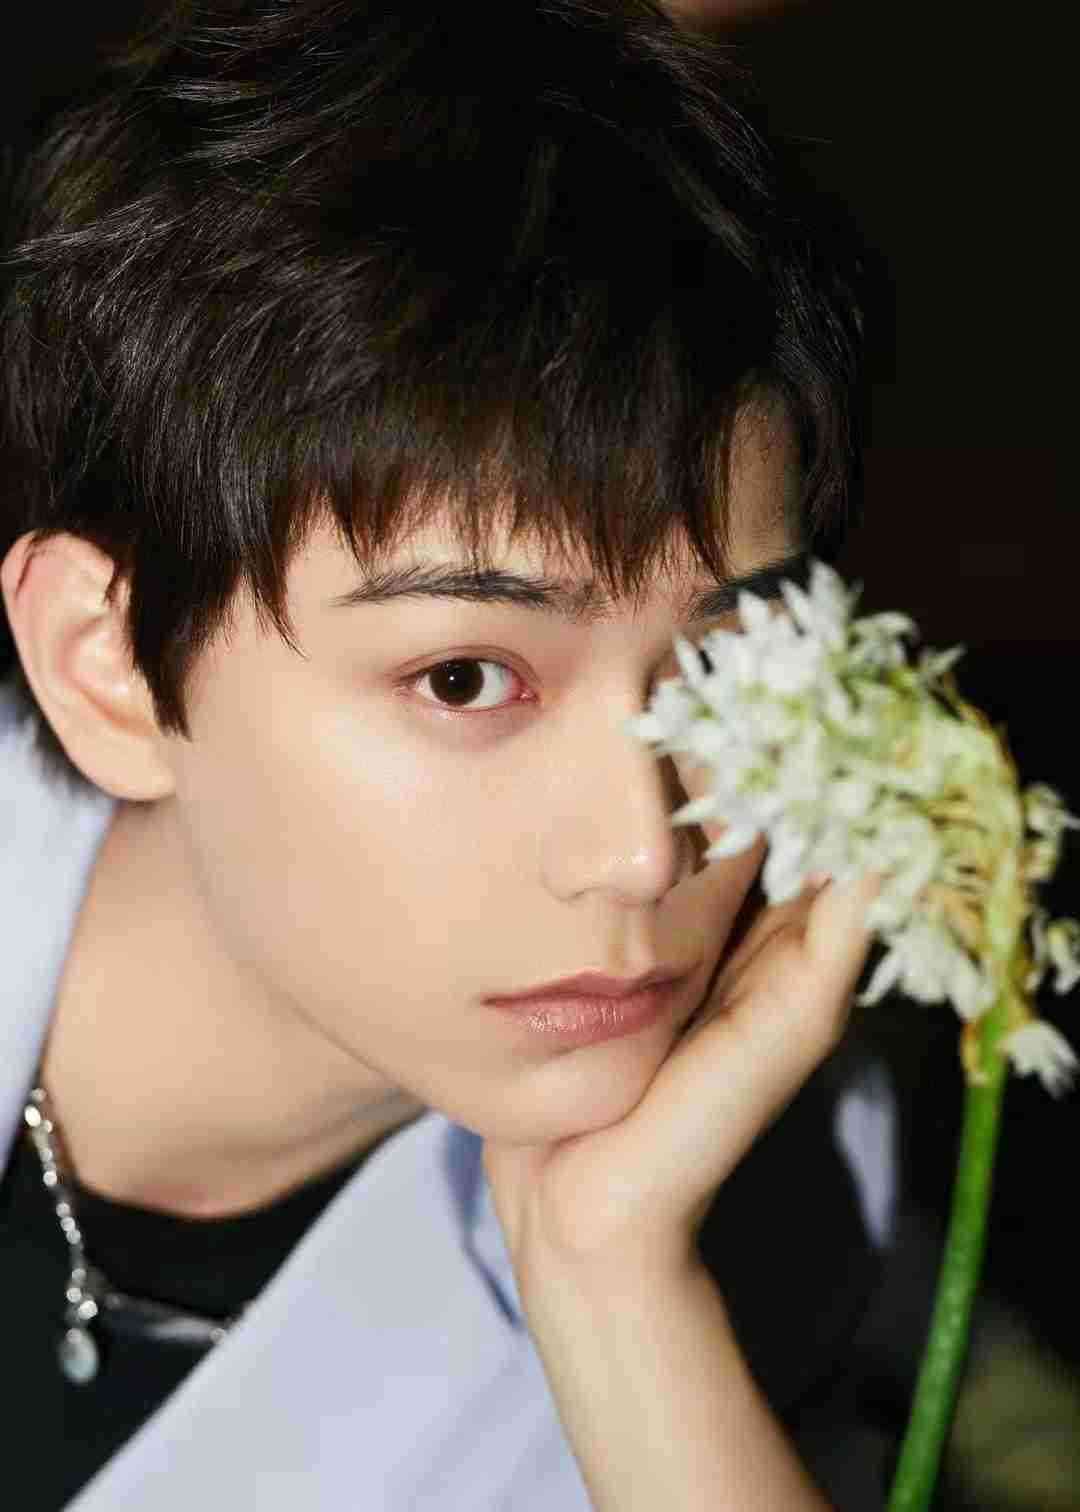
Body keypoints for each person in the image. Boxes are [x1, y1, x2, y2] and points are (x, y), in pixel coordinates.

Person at [0, 1, 899, 1506]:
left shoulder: (770, 1188)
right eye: (467, 677)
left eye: (726, 666)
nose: (645, 849)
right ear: (108, 663)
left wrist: (616, 1286)